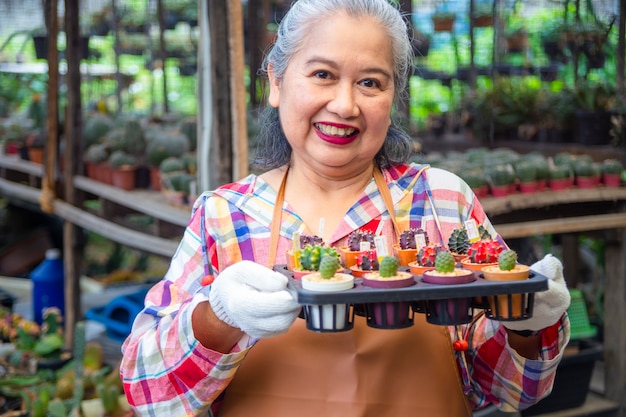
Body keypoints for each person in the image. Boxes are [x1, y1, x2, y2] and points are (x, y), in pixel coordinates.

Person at [120, 1, 571, 416]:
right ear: (276, 82)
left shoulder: (441, 201)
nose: (344, 104)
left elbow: (514, 391)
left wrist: (528, 325)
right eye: (322, 75)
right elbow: (149, 393)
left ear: (392, 99)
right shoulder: (224, 216)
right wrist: (217, 318)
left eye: (370, 82)